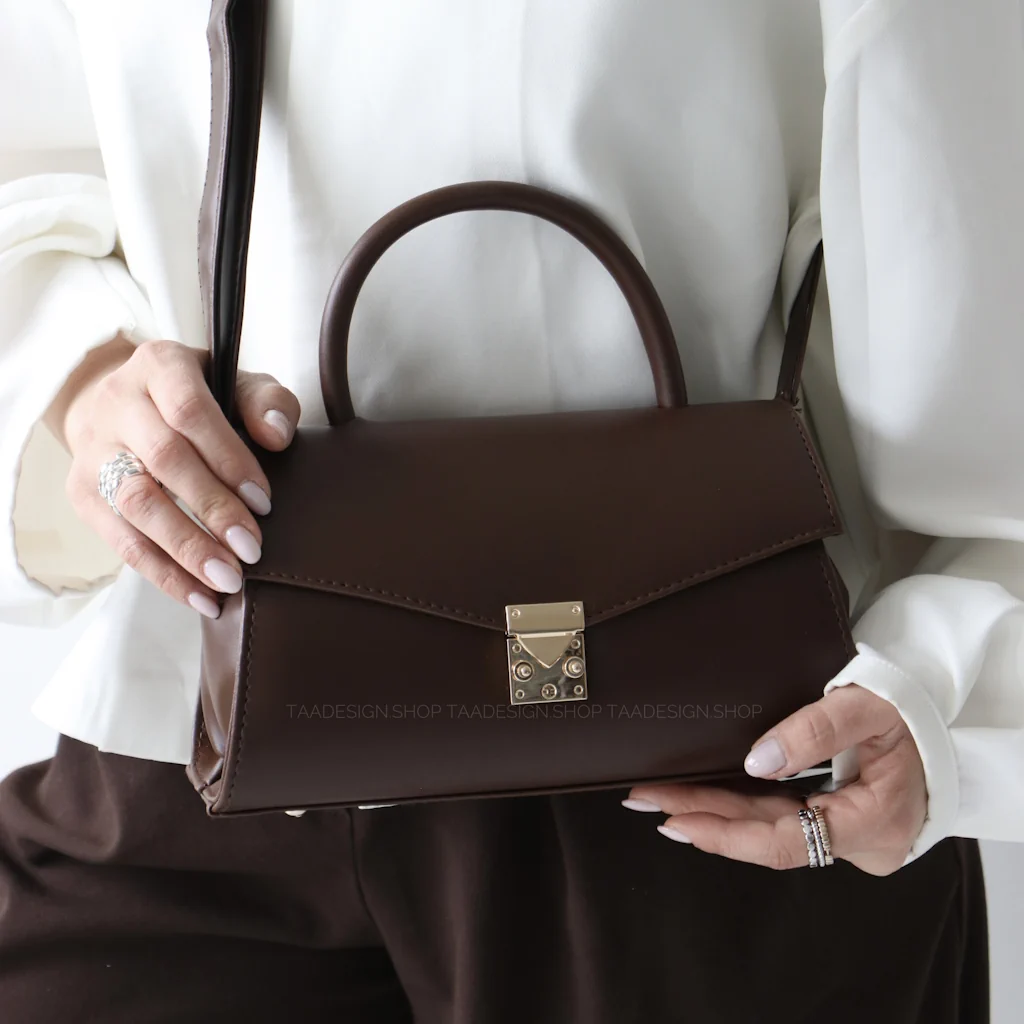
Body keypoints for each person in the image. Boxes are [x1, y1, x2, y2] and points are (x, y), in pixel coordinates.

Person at [0, 1, 1020, 1021]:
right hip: (210, 695)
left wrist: (942, 677)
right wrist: (87, 380)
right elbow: (34, 143)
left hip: (715, 772)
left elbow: (963, 238)